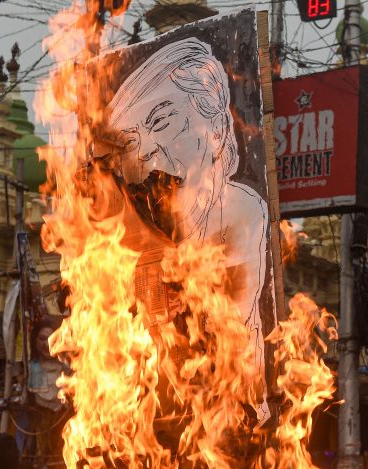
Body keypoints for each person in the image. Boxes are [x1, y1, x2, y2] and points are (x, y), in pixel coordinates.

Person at [103, 37, 270, 422]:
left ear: (213, 125)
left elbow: (227, 323)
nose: (144, 151)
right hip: (152, 419)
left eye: (161, 120)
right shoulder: (130, 237)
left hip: (226, 414)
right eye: (130, 141)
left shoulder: (240, 209)